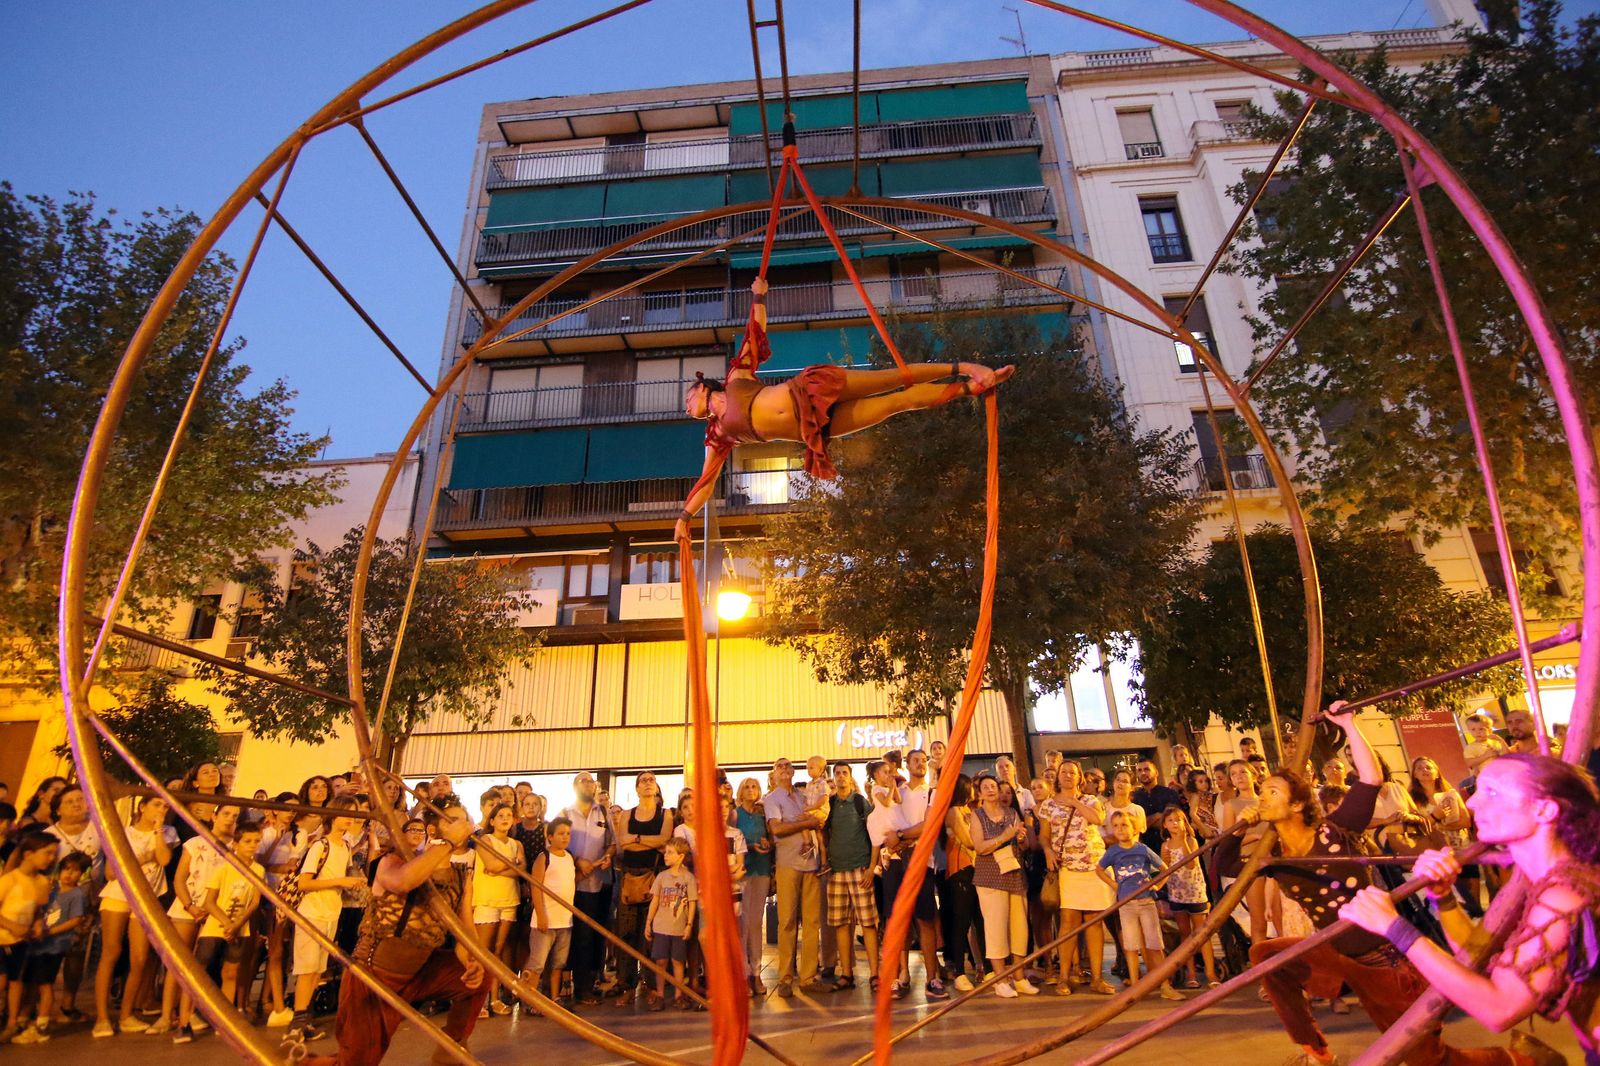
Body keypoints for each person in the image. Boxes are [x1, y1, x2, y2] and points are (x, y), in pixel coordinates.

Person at [1218, 700, 1515, 1066]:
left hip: (1381, 961)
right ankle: (1316, 1051)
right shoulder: (1275, 856)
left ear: (1297, 805)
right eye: (1262, 791)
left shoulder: (1335, 831)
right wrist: (1241, 827)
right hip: (1335, 952)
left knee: (1428, 1060)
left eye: (1272, 792)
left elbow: (1371, 779)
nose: (1263, 797)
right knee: (1266, 955)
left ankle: (1516, 1060)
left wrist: (1349, 725)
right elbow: (1225, 864)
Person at [675, 279, 1012, 529]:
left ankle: (967, 367)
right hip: (817, 427)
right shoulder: (719, 436)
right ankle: (971, 387)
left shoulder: (736, 377)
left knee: (893, 378)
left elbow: (755, 331)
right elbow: (706, 482)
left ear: (703, 387)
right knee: (896, 404)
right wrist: (684, 518)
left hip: (812, 389)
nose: (687, 407)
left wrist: (759, 295)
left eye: (688, 398)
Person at [1340, 753, 1600, 1065]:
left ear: (1545, 809)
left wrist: (1394, 928)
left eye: (1492, 792)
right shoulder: (1560, 880)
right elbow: (1481, 962)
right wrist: (1444, 897)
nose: (1473, 803)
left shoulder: (1563, 895)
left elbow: (1499, 1009)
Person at [302, 794, 488, 1066]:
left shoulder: (462, 875)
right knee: (357, 1060)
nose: (464, 824)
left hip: (421, 971)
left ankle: (449, 1054)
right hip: (375, 975)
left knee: (483, 976)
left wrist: (472, 961)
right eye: (454, 820)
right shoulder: (395, 859)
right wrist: (447, 845)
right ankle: (298, 1062)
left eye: (465, 818)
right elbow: (403, 882)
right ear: (434, 830)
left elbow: (464, 928)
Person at [152, 803, 239, 1034]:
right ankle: (166, 1014)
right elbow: (180, 878)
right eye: (226, 813)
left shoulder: (236, 849)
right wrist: (190, 906)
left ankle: (190, 1013)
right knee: (179, 962)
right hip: (188, 906)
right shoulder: (195, 843)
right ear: (215, 816)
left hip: (216, 910)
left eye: (235, 816)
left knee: (202, 964)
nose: (230, 819)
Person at [92, 795, 174, 1037]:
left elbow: (164, 859)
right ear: (142, 806)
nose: (162, 809)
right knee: (111, 951)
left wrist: (158, 832)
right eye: (156, 804)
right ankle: (102, 1017)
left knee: (139, 958)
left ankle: (127, 1014)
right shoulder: (124, 832)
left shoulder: (166, 833)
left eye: (165, 806)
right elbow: (111, 872)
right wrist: (139, 859)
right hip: (118, 895)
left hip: (146, 898)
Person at [176, 821, 265, 1044]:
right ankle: (184, 1021)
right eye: (247, 841)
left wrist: (237, 924)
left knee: (231, 973)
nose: (252, 846)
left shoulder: (258, 869)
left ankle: (224, 1020)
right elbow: (209, 901)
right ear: (236, 843)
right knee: (199, 972)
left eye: (256, 841)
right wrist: (227, 923)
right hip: (216, 925)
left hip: (239, 927)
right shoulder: (223, 867)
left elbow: (254, 902)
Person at [290, 796, 367, 1042]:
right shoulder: (320, 845)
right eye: (346, 812)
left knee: (317, 969)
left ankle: (305, 1018)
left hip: (331, 912)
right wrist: (341, 881)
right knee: (307, 969)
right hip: (312, 912)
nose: (350, 817)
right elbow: (304, 882)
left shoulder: (344, 846)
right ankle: (298, 1021)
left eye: (353, 813)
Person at [1039, 761, 1114, 997]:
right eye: (1064, 772)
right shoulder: (1048, 805)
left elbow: (1097, 819)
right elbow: (1043, 836)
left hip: (1093, 865)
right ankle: (1064, 976)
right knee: (1068, 921)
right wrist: (1048, 851)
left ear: (1079, 777)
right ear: (1057, 777)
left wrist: (1073, 801)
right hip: (1068, 867)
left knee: (1094, 920)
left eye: (1072, 773)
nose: (1068, 776)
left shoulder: (1091, 800)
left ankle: (1097, 977)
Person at [1097, 811, 1184, 1002]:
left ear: (1134, 828)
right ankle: (1135, 986)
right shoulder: (1113, 851)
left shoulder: (1142, 850)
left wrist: (1157, 885)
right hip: (1126, 904)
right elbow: (1099, 869)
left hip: (1146, 902)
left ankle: (1164, 984)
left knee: (1154, 944)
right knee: (1130, 944)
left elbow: (1164, 870)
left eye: (1125, 825)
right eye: (1117, 825)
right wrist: (1114, 885)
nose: (1120, 829)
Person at [11, 850, 90, 1044]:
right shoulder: (52, 889)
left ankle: (41, 1025)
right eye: (65, 869)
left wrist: (50, 932)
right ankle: (24, 1019)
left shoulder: (76, 894)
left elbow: (76, 920)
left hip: (54, 946)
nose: (69, 874)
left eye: (75, 871)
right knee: (31, 982)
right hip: (38, 945)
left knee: (45, 985)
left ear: (83, 874)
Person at [969, 773, 1037, 998]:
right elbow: (979, 847)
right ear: (979, 793)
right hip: (990, 876)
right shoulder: (977, 816)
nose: (990, 790)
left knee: (1019, 928)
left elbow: (1025, 844)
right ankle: (999, 979)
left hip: (1015, 874)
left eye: (993, 787)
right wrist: (1004, 836)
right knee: (995, 927)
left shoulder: (1012, 813)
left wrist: (1020, 839)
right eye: (985, 787)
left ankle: (1019, 977)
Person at [764, 757, 826, 997]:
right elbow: (777, 829)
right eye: (779, 766)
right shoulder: (772, 800)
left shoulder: (803, 797)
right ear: (774, 773)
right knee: (787, 921)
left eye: (788, 766)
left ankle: (809, 976)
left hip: (810, 863)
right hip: (788, 863)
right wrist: (805, 824)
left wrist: (811, 821)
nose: (784, 769)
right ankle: (785, 976)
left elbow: (818, 819)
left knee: (812, 922)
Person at [887, 750, 946, 999]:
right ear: (906, 764)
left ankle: (933, 977)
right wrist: (895, 840)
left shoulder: (933, 793)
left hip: (923, 862)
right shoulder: (896, 792)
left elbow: (929, 824)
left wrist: (901, 836)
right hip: (895, 863)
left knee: (925, 919)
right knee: (898, 921)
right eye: (916, 761)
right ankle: (902, 976)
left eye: (924, 761)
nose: (920, 764)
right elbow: (886, 824)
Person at [612, 772, 672, 1004]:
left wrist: (636, 840)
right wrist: (648, 841)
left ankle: (649, 985)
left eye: (651, 780)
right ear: (637, 788)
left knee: (650, 934)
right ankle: (626, 984)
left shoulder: (665, 814)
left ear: (657, 787)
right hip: (629, 877)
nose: (648, 783)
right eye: (643, 781)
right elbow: (623, 842)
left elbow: (664, 842)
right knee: (626, 932)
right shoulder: (627, 814)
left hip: (654, 877)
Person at [824, 764, 880, 992]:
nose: (840, 777)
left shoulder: (860, 803)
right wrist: (826, 859)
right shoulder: (829, 804)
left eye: (844, 773)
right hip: (836, 871)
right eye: (836, 773)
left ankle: (875, 974)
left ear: (850, 777)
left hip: (860, 870)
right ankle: (846, 974)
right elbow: (823, 831)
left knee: (868, 923)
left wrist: (871, 867)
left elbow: (875, 833)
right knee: (841, 924)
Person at [561, 771, 615, 1006]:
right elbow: (554, 842)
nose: (588, 784)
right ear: (574, 786)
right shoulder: (565, 813)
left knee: (597, 936)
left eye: (591, 781)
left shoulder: (602, 812)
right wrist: (576, 860)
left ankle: (592, 981)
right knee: (580, 936)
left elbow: (612, 843)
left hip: (600, 883)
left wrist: (609, 856)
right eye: (583, 781)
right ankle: (579, 987)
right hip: (575, 884)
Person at [0, 833, 57, 1043]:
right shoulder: (10, 879)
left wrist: (37, 925)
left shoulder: (43, 882)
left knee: (17, 981)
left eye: (53, 854)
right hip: (3, 938)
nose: (51, 858)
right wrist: (11, 925)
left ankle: (12, 1022)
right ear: (28, 854)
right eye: (47, 853)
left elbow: (38, 911)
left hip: (20, 941)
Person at [472, 802, 524, 1017]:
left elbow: (521, 871)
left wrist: (503, 866)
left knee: (499, 950)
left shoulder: (516, 844)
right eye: (500, 815)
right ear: (491, 820)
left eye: (509, 815)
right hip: (487, 899)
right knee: (482, 951)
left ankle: (494, 998)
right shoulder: (485, 840)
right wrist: (511, 864)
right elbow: (489, 866)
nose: (505, 818)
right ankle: (478, 1002)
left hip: (509, 899)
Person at [1160, 806, 1219, 988]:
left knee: (1202, 933)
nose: (1175, 823)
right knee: (1185, 933)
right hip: (1177, 893)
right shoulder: (1165, 845)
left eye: (1178, 819)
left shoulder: (1191, 841)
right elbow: (1165, 869)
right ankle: (1191, 973)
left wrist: (1183, 839)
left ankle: (1211, 973)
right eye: (1170, 820)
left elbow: (1192, 863)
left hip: (1195, 891)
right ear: (1164, 825)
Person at [525, 816, 576, 1006]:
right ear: (550, 836)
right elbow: (535, 886)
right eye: (561, 834)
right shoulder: (544, 857)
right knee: (537, 963)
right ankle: (530, 1000)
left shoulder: (569, 857)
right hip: (546, 918)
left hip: (565, 920)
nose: (565, 838)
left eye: (568, 834)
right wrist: (541, 915)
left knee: (558, 963)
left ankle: (555, 997)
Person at [644, 838, 698, 1011]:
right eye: (665, 852)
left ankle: (678, 994)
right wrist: (648, 922)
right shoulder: (661, 877)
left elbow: (691, 902)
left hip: (678, 927)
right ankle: (660, 994)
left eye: (670, 852)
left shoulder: (688, 878)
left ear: (680, 856)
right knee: (661, 960)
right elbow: (655, 900)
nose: (666, 856)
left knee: (678, 961)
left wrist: (689, 924)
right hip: (661, 926)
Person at [733, 778, 774, 995]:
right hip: (743, 872)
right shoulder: (735, 815)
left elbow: (770, 838)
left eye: (754, 787)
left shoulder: (761, 816)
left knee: (756, 923)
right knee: (743, 924)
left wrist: (767, 843)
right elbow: (732, 842)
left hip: (762, 870)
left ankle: (757, 972)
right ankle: (743, 973)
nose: (751, 790)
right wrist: (750, 846)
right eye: (746, 786)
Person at [942, 775, 981, 992]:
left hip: (974, 869)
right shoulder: (954, 812)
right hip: (959, 870)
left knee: (978, 921)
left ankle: (981, 966)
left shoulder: (968, 810)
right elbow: (969, 841)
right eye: (972, 787)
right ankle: (959, 971)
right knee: (961, 923)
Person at [1131, 758, 1184, 852]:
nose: (1143, 773)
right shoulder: (1134, 798)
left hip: (1170, 846)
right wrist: (1157, 816)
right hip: (1145, 849)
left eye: (1147, 769)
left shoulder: (1169, 793)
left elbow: (1172, 821)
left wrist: (1146, 821)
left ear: (1156, 772)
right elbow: (1136, 826)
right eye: (1139, 770)